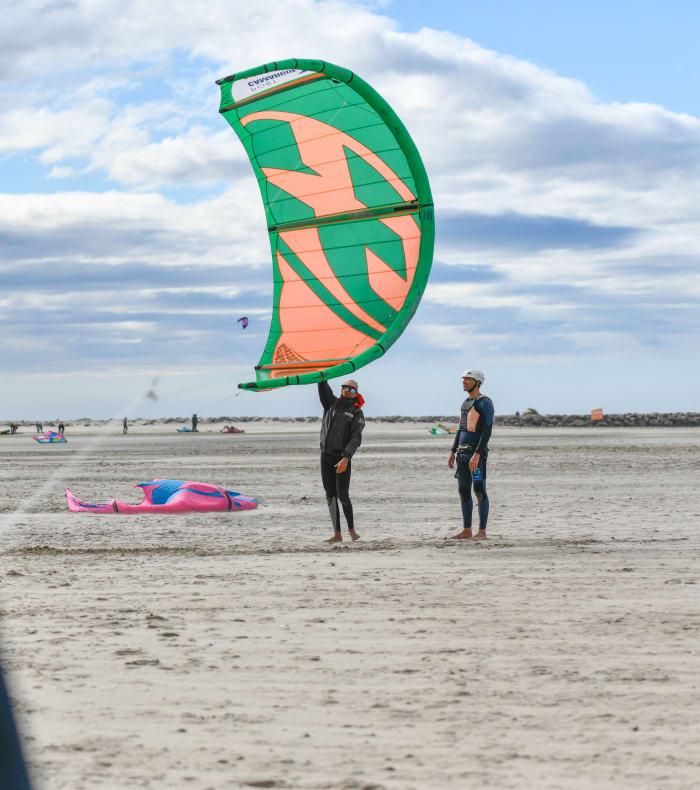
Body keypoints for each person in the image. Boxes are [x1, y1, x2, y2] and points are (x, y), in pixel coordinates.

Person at [448, 369, 494, 540]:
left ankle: (482, 532)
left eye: (468, 379)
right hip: (462, 454)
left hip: (476, 455)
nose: (464, 382)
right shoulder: (465, 403)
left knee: (479, 489)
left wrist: (477, 454)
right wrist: (453, 451)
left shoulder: (485, 403)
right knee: (463, 490)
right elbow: (461, 429)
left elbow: (487, 430)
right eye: (463, 379)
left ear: (477, 381)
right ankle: (467, 530)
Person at [318, 378, 366, 543]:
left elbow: (356, 438)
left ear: (356, 393)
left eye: (352, 389)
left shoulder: (356, 412)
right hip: (326, 455)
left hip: (342, 457)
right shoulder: (330, 404)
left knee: (343, 495)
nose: (348, 391)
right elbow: (322, 387)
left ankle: (351, 530)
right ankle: (337, 534)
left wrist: (346, 457)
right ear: (341, 389)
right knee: (329, 494)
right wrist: (322, 377)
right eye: (345, 388)